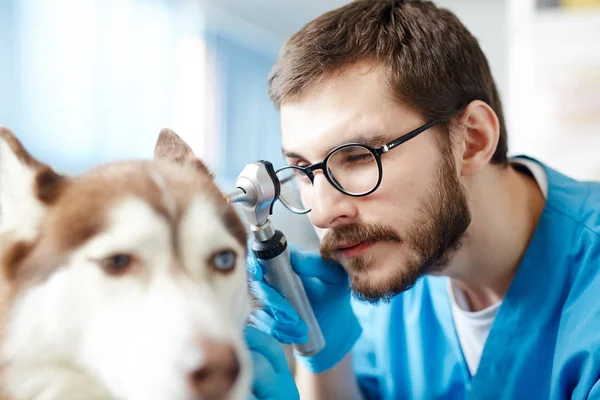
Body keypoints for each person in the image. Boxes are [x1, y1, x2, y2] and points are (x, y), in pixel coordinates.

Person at [244, 0, 600, 399]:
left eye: (360, 156)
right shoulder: (397, 278)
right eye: (306, 172)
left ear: (473, 140)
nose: (324, 213)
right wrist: (325, 353)